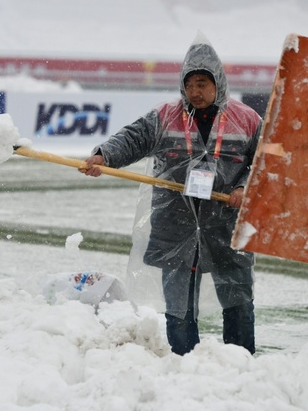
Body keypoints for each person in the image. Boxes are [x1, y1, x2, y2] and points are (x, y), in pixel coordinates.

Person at [79, 32, 262, 356]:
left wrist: (242, 187)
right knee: (178, 311)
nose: (196, 91)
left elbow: (264, 163)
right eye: (190, 84)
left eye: (203, 83)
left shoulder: (246, 120)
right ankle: (182, 367)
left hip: (228, 228)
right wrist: (103, 156)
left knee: (238, 306)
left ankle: (241, 366)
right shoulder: (165, 116)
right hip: (175, 228)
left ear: (217, 81)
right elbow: (132, 139)